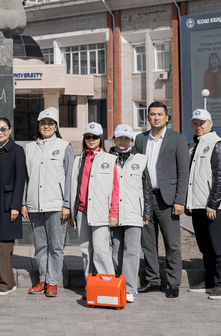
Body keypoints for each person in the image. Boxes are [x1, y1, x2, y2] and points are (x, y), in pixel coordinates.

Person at [134, 101, 189, 299]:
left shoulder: (178, 139)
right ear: (148, 117)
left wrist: (180, 200)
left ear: (167, 117)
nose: (156, 117)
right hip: (146, 199)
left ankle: (173, 283)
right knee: (148, 243)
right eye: (152, 114)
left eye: (159, 114)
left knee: (172, 244)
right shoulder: (140, 139)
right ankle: (153, 280)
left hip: (168, 200)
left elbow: (183, 171)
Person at [22, 109, 73, 298]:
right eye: (43, 123)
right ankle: (43, 279)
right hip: (35, 204)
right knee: (40, 246)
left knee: (56, 246)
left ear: (56, 126)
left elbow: (70, 177)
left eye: (50, 123)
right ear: (38, 125)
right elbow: (26, 178)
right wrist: (24, 202)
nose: (46, 126)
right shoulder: (29, 148)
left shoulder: (64, 146)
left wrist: (67, 203)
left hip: (56, 205)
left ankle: (52, 282)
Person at [68, 123, 120, 297]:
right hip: (82, 211)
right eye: (88, 137)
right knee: (86, 250)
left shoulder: (110, 159)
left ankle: (108, 287)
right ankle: (90, 287)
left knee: (101, 249)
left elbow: (115, 188)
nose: (91, 140)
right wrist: (72, 211)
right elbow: (73, 186)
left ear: (101, 139)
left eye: (95, 137)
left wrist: (113, 213)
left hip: (101, 212)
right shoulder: (78, 159)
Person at [185, 109, 221, 300]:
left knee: (218, 246)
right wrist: (189, 202)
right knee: (205, 247)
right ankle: (210, 280)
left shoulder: (217, 144)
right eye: (195, 123)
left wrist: (213, 203)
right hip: (197, 205)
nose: (198, 126)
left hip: (213, 206)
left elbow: (220, 176)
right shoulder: (194, 146)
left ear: (210, 123)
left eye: (202, 123)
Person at [108, 124, 152, 304]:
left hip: (134, 212)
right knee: (116, 250)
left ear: (132, 141)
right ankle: (117, 283)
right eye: (120, 138)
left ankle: (129, 288)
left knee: (131, 251)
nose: (123, 141)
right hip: (114, 213)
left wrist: (146, 213)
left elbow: (147, 188)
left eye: (126, 138)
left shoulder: (140, 159)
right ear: (114, 139)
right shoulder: (107, 159)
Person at [0, 117, 27, 296]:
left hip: (8, 203)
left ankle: (5, 284)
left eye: (3, 129)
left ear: (10, 130)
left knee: (3, 245)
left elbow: (20, 179)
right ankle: (9, 282)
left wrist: (16, 205)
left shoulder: (17, 150)